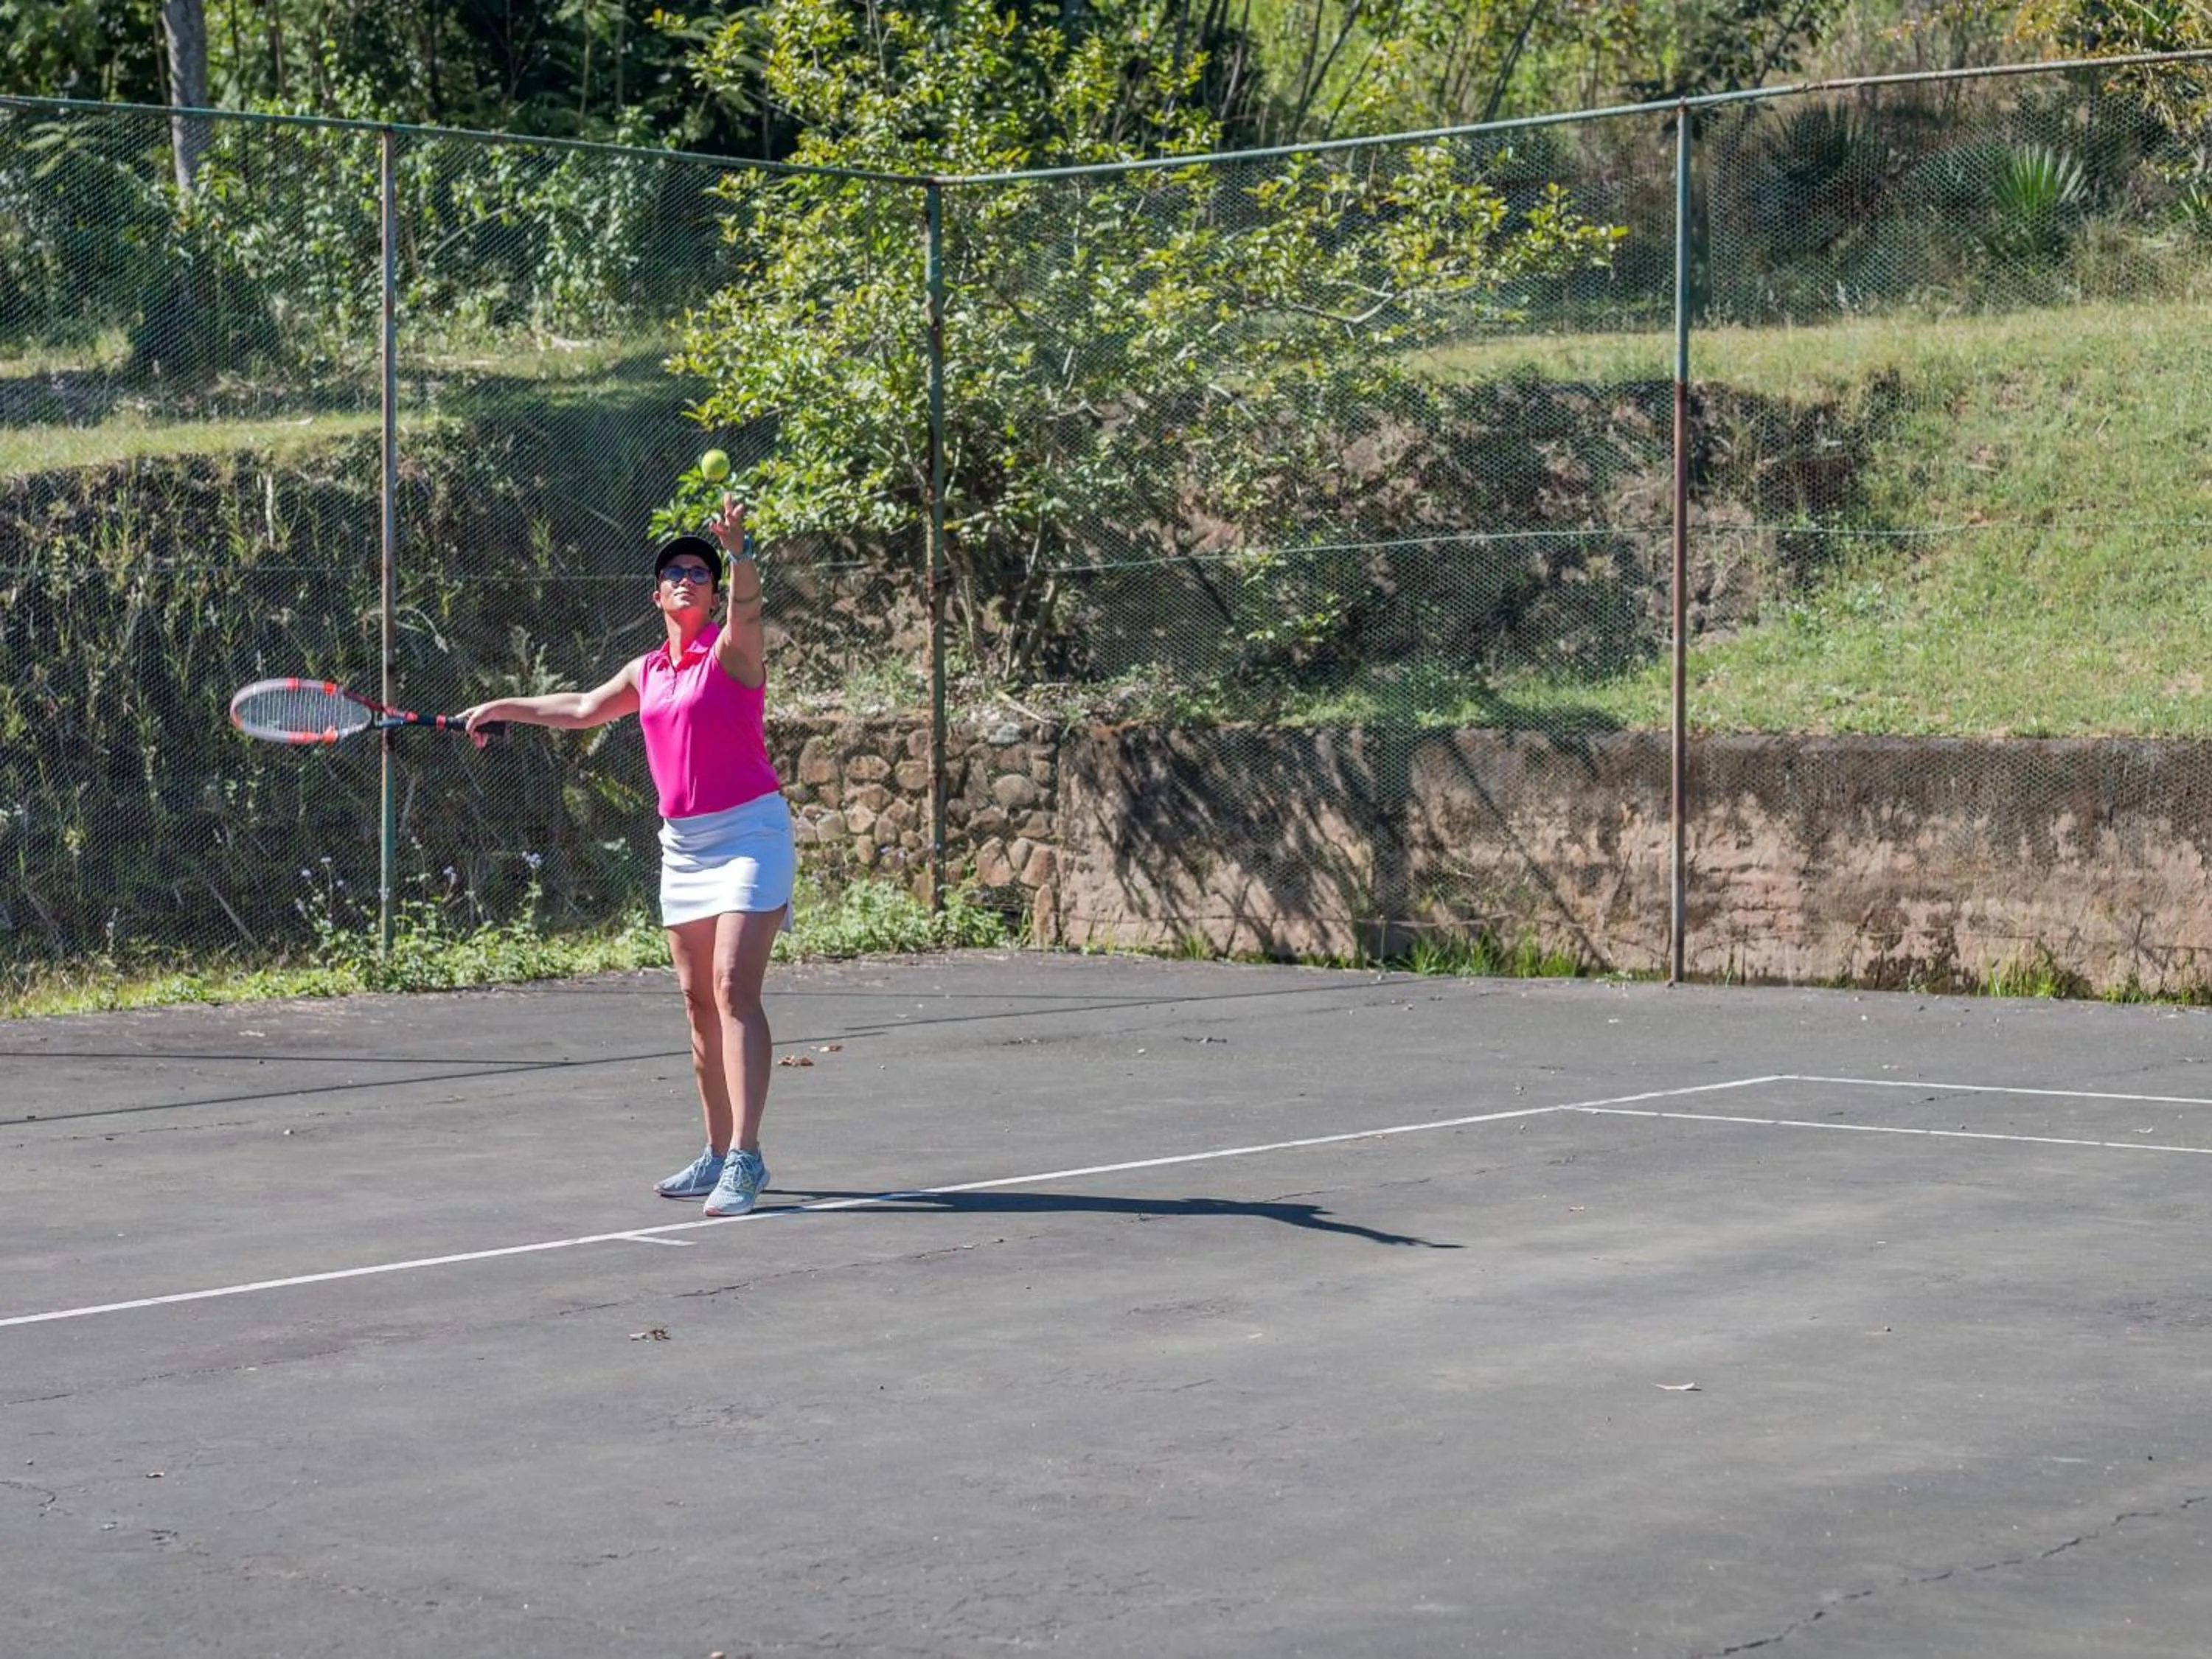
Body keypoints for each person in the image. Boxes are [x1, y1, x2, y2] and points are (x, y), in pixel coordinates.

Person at [461, 495, 792, 1218]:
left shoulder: (733, 655)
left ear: (711, 592)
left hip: (749, 836)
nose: (686, 578)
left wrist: (738, 555)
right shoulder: (646, 672)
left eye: (698, 572)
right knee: (698, 1001)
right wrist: (502, 707)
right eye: (674, 571)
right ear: (657, 593)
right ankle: (713, 1154)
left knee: (735, 986)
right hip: (684, 845)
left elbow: (750, 611)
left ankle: (748, 1157)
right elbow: (582, 708)